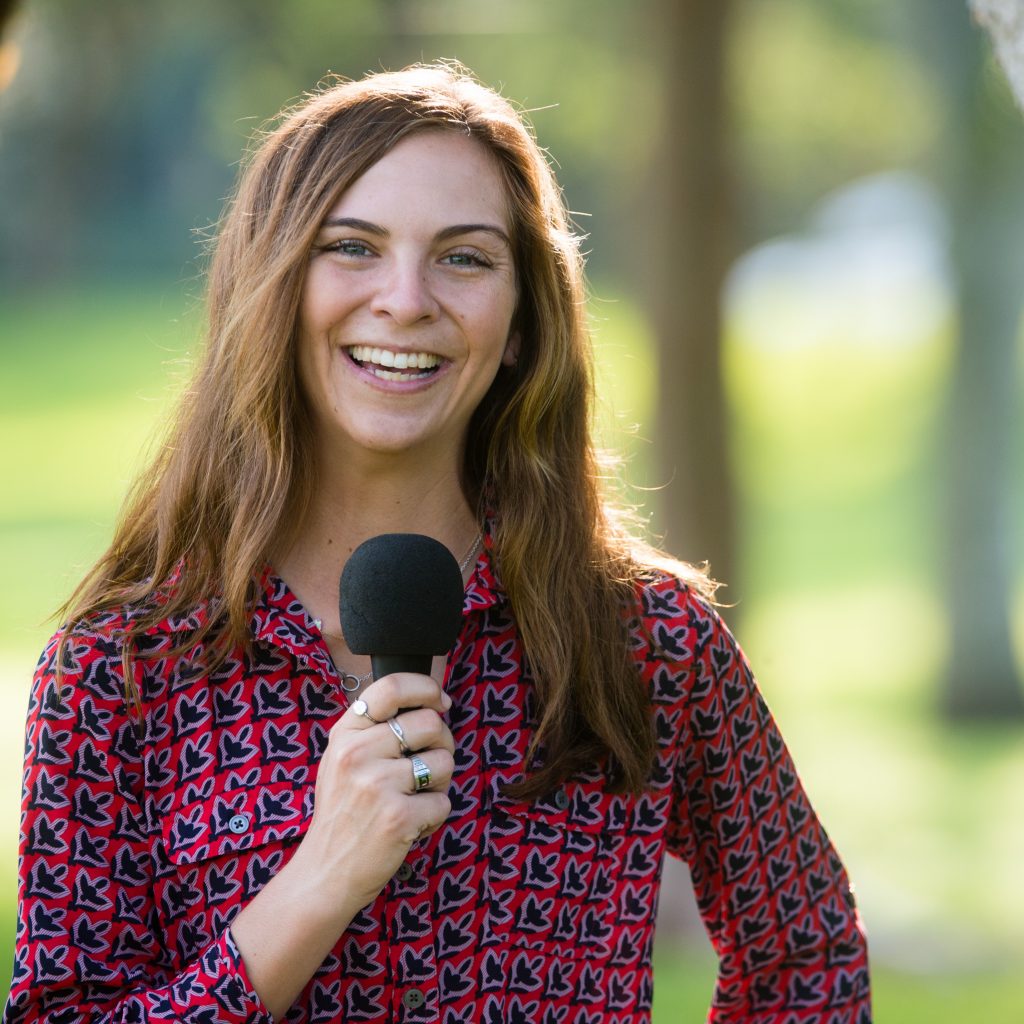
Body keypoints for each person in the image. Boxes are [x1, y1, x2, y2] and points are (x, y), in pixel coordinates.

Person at [2, 63, 871, 1023]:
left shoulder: (647, 640)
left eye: (464, 257)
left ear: (518, 323)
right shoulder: (118, 671)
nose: (406, 300)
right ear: (276, 290)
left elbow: (807, 955)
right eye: (352, 247)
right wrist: (321, 879)